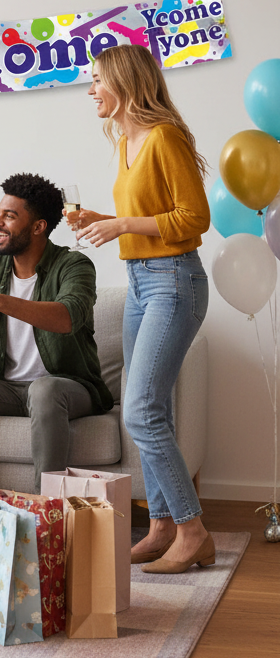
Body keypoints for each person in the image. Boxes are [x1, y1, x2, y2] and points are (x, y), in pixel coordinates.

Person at [73, 44, 212, 573]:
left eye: (95, 82)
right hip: (140, 282)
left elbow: (193, 218)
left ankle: (192, 528)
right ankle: (161, 527)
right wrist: (103, 217)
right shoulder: (126, 141)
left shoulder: (164, 136)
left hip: (174, 282)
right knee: (150, 410)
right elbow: (151, 213)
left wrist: (123, 225)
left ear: (124, 83)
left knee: (141, 410)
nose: (90, 92)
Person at [0, 173, 112, 550]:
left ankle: (44, 515)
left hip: (70, 386)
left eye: (9, 216)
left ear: (39, 226)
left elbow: (67, 317)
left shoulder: (74, 265)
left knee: (44, 390)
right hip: (8, 387)